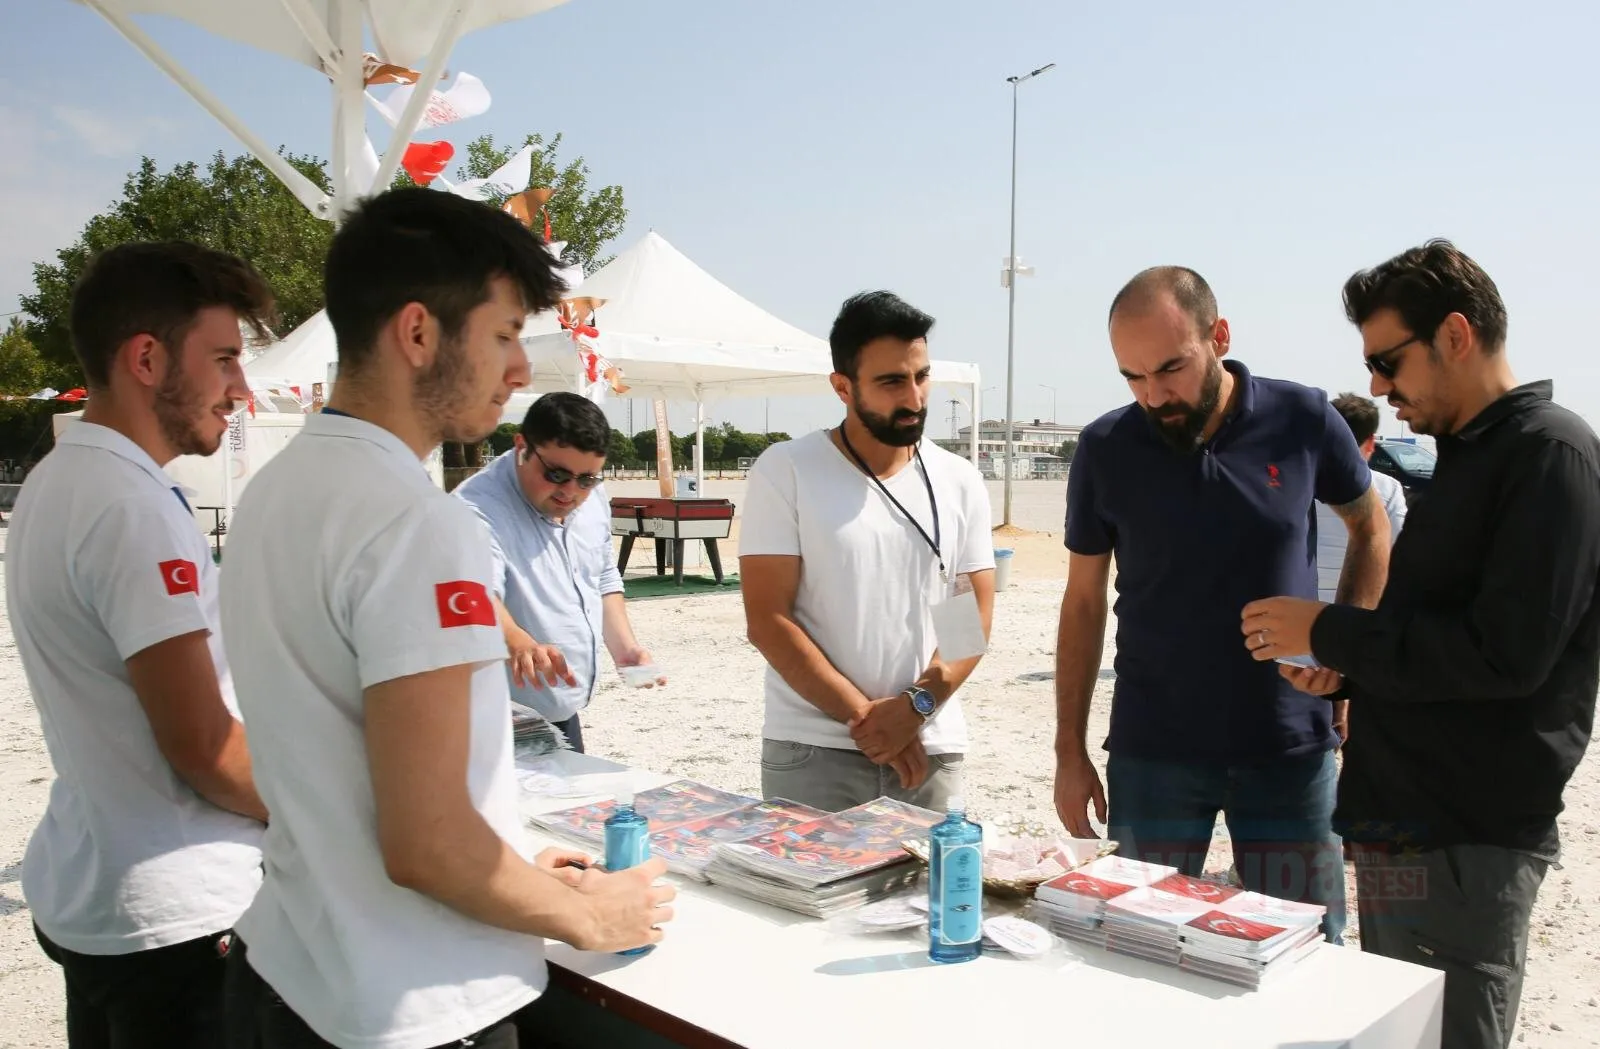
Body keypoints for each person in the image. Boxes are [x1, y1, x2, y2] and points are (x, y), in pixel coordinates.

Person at [218, 188, 674, 1049]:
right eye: (504, 335)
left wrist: (504, 858)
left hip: (291, 964)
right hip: (411, 995)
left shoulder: (276, 491)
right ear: (419, 332)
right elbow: (426, 842)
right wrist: (590, 916)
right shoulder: (418, 522)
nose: (519, 369)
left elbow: (345, 764)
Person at [1242, 239, 1600, 1049]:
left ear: (1455, 336)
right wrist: (1342, 671)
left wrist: (1328, 627)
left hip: (1467, 833)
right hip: (1404, 822)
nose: (1376, 386)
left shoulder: (1549, 455)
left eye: (1387, 360)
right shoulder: (1473, 458)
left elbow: (1505, 657)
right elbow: (1430, 634)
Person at [1054, 266, 1392, 944]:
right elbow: (1084, 601)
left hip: (1287, 747)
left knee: (1305, 956)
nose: (1155, 394)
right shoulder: (1105, 448)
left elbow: (1372, 527)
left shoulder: (1301, 417)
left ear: (1220, 336)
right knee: (1137, 951)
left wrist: (1340, 646)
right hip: (1154, 752)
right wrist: (1069, 747)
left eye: (1171, 368)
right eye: (1133, 376)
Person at [5, 241, 272, 1047]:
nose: (240, 388)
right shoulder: (129, 506)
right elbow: (205, 747)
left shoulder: (62, 479)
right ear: (148, 359)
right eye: (223, 357)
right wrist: (347, 806)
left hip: (100, 890)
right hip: (180, 917)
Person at [740, 291, 995, 813]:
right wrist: (868, 720)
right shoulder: (786, 470)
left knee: (935, 896)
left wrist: (916, 708)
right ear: (842, 386)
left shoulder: (958, 480)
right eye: (891, 382)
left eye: (921, 376)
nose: (914, 398)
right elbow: (768, 619)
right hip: (813, 749)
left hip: (931, 748)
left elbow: (968, 616)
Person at [455, 390, 665, 753]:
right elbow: (474, 591)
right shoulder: (475, 509)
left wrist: (625, 648)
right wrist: (517, 640)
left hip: (561, 713)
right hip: (493, 720)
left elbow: (601, 577)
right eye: (556, 474)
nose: (571, 492)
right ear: (521, 446)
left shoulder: (593, 496)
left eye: (587, 479)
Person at [1315, 393, 1408, 603]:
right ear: (1371, 442)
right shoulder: (1388, 489)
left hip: (1297, 607)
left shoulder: (1298, 483)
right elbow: (1403, 552)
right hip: (1362, 609)